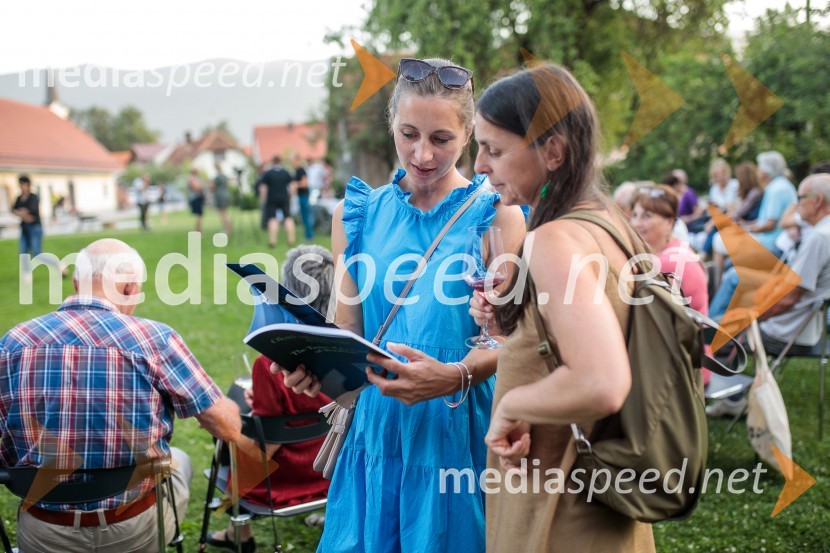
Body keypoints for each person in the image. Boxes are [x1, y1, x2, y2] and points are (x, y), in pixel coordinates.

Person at [276, 57, 525, 552]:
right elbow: (347, 331)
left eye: (441, 139)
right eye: (408, 134)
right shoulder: (356, 215)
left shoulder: (498, 216)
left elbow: (508, 340)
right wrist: (315, 367)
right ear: (391, 124)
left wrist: (453, 375)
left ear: (469, 134)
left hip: (456, 429)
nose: (422, 153)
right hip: (379, 430)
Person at [470, 63, 655, 551]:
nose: (479, 165)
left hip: (559, 503)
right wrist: (517, 326)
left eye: (494, 150)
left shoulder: (553, 239)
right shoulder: (609, 221)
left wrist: (511, 406)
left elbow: (601, 381)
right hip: (609, 497)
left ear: (553, 151)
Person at [0, 238, 241, 553]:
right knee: (179, 459)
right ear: (129, 287)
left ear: (76, 282)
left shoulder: (12, 343)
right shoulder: (155, 339)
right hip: (135, 529)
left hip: (44, 531)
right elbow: (228, 427)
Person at [207, 245, 335, 552]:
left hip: (283, 481)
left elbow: (265, 453)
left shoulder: (271, 362)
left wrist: (225, 426)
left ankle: (240, 533)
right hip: (333, 472)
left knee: (227, 423)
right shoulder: (346, 351)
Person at [707, 173, 830, 416]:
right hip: (804, 327)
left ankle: (729, 398)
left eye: (800, 198)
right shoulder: (821, 232)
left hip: (787, 332)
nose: (796, 205)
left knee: (715, 332)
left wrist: (749, 319)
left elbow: (788, 299)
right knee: (732, 294)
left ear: (817, 201)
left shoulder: (819, 237)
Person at [630, 185, 708, 314]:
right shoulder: (676, 246)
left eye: (647, 216)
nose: (636, 223)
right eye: (634, 215)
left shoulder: (668, 262)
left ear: (669, 222)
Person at [257, 156, 296, 247]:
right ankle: (291, 240)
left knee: (272, 218)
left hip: (272, 199)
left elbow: (263, 188)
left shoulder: (268, 173)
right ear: (280, 162)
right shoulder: (286, 172)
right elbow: (292, 186)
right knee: (288, 217)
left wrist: (263, 200)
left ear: (272, 162)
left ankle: (272, 241)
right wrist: (291, 198)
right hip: (284, 198)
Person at [13, 175, 43, 282]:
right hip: (24, 228)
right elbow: (14, 210)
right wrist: (25, 215)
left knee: (37, 253)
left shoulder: (33, 197)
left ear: (28, 185)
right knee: (23, 252)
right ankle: (27, 275)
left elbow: (31, 211)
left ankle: (58, 265)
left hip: (34, 228)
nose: (22, 186)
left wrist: (21, 213)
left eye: (23, 184)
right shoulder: (19, 198)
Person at [293, 154, 314, 241]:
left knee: (306, 216)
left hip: (304, 196)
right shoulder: (296, 170)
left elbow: (305, 183)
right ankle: (307, 234)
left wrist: (295, 185)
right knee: (303, 216)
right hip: (300, 196)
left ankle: (309, 235)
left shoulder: (301, 170)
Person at [213, 163, 233, 235]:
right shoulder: (225, 177)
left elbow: (213, 187)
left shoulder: (217, 177)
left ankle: (227, 230)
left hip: (220, 195)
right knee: (226, 213)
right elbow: (228, 185)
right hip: (226, 194)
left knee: (223, 213)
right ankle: (229, 229)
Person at [189, 168, 206, 233]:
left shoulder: (195, 178)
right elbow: (197, 188)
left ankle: (199, 230)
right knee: (199, 215)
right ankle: (198, 231)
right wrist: (202, 184)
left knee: (199, 215)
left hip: (198, 198)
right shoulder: (192, 179)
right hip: (196, 198)